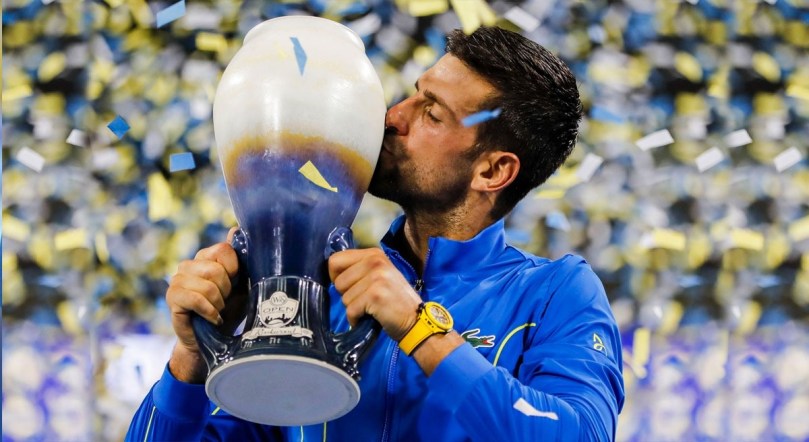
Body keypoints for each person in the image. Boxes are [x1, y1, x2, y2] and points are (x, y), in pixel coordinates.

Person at [127, 25, 624, 441]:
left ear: (492, 172)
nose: (392, 116)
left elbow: (582, 432)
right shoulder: (320, 293)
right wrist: (192, 358)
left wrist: (418, 329)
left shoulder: (555, 292)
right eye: (413, 94)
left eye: (431, 112)